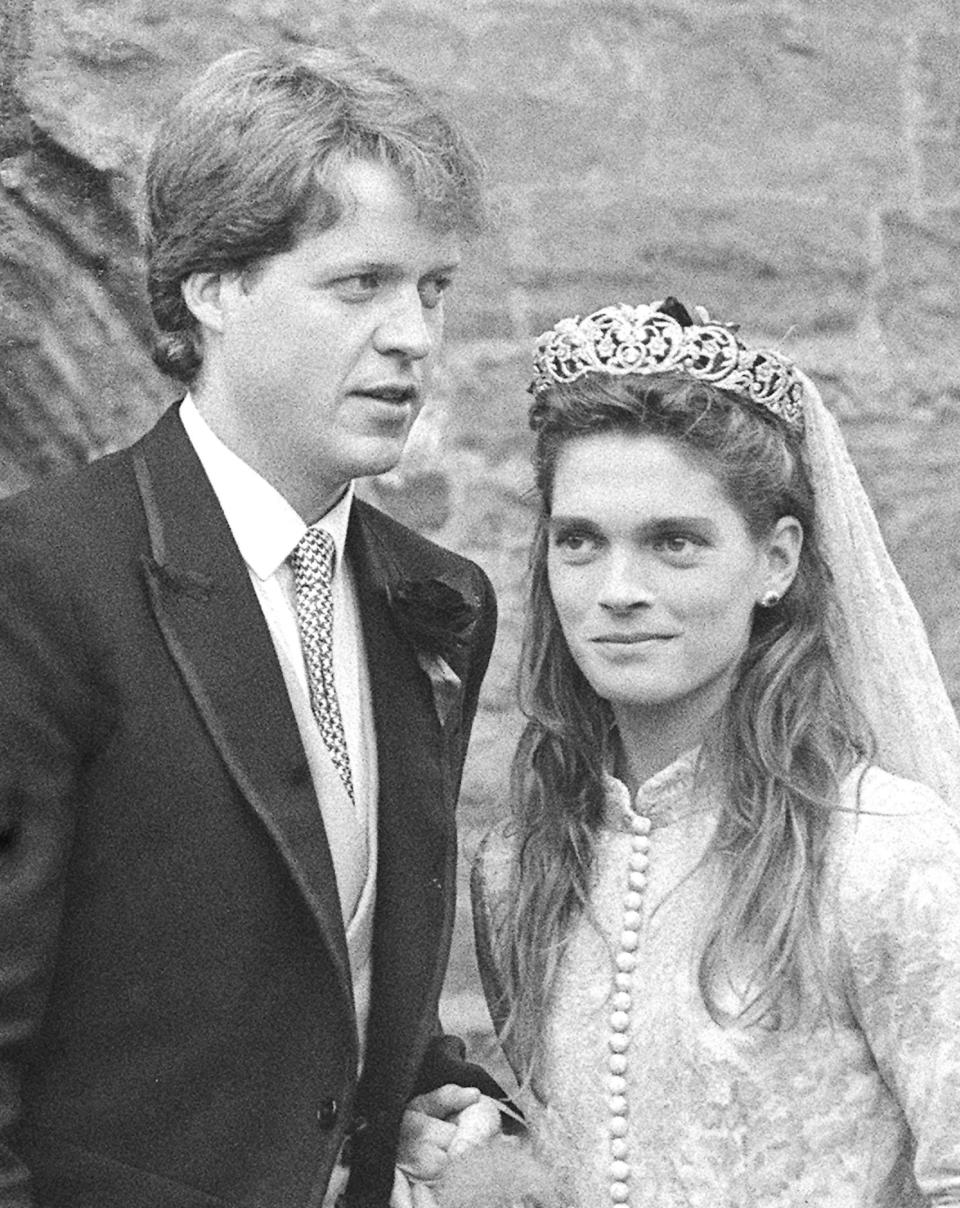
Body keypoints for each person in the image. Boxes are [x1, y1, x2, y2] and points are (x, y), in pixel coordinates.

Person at [0, 44, 505, 1208]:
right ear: (215, 289)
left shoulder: (438, 598)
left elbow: (332, 979)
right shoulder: (43, 577)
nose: (413, 337)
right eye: (360, 283)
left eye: (432, 288)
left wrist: (436, 1098)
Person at [471, 297, 960, 1207]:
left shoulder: (888, 855)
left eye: (674, 544)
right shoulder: (516, 870)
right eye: (581, 542)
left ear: (774, 562)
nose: (618, 590)